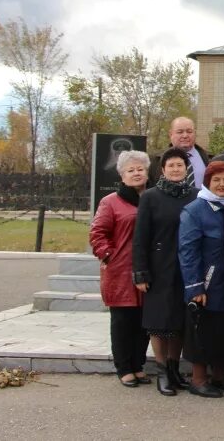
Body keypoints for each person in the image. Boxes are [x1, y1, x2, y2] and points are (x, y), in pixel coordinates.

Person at [132, 147, 197, 396]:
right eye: (171, 166)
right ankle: (161, 371)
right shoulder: (150, 197)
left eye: (180, 165)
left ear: (186, 168)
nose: (176, 169)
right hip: (159, 268)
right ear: (163, 170)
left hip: (186, 266)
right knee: (159, 322)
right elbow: (141, 238)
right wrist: (140, 271)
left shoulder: (195, 195)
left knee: (179, 322)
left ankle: (174, 369)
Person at [90, 150, 152, 388]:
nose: (136, 174)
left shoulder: (152, 197)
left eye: (140, 169)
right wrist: (109, 256)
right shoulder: (111, 202)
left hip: (147, 270)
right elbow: (98, 234)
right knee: (123, 322)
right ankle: (124, 367)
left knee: (143, 323)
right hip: (121, 271)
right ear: (122, 175)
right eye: (131, 170)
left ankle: (138, 365)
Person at [178, 161, 224, 398]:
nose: (222, 184)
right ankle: (198, 378)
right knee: (202, 330)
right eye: (217, 180)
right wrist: (194, 286)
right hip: (207, 281)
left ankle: (220, 375)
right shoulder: (195, 210)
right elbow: (188, 250)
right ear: (207, 183)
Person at [152, 117, 211, 188]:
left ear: (195, 133)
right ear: (171, 134)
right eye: (180, 132)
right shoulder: (156, 161)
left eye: (189, 131)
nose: (185, 136)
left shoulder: (210, 159)